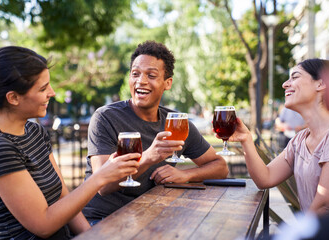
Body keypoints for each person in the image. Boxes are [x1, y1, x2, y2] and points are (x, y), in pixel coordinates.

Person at [0, 46, 140, 239]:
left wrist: (92, 236)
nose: (52, 93)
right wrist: (100, 177)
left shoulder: (34, 131)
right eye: (43, 88)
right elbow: (43, 225)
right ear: (13, 98)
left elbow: (63, 197)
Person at [83, 40, 228, 224]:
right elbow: (102, 185)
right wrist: (149, 156)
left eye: (151, 75)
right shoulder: (105, 118)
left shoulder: (177, 124)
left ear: (167, 83)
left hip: (150, 217)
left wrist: (185, 175)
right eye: (135, 74)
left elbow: (221, 167)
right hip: (101, 220)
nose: (141, 81)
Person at [226, 58, 329, 215]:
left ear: (321, 83)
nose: (285, 84)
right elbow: (265, 178)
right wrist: (246, 140)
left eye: (295, 77)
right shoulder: (299, 141)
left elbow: (325, 205)